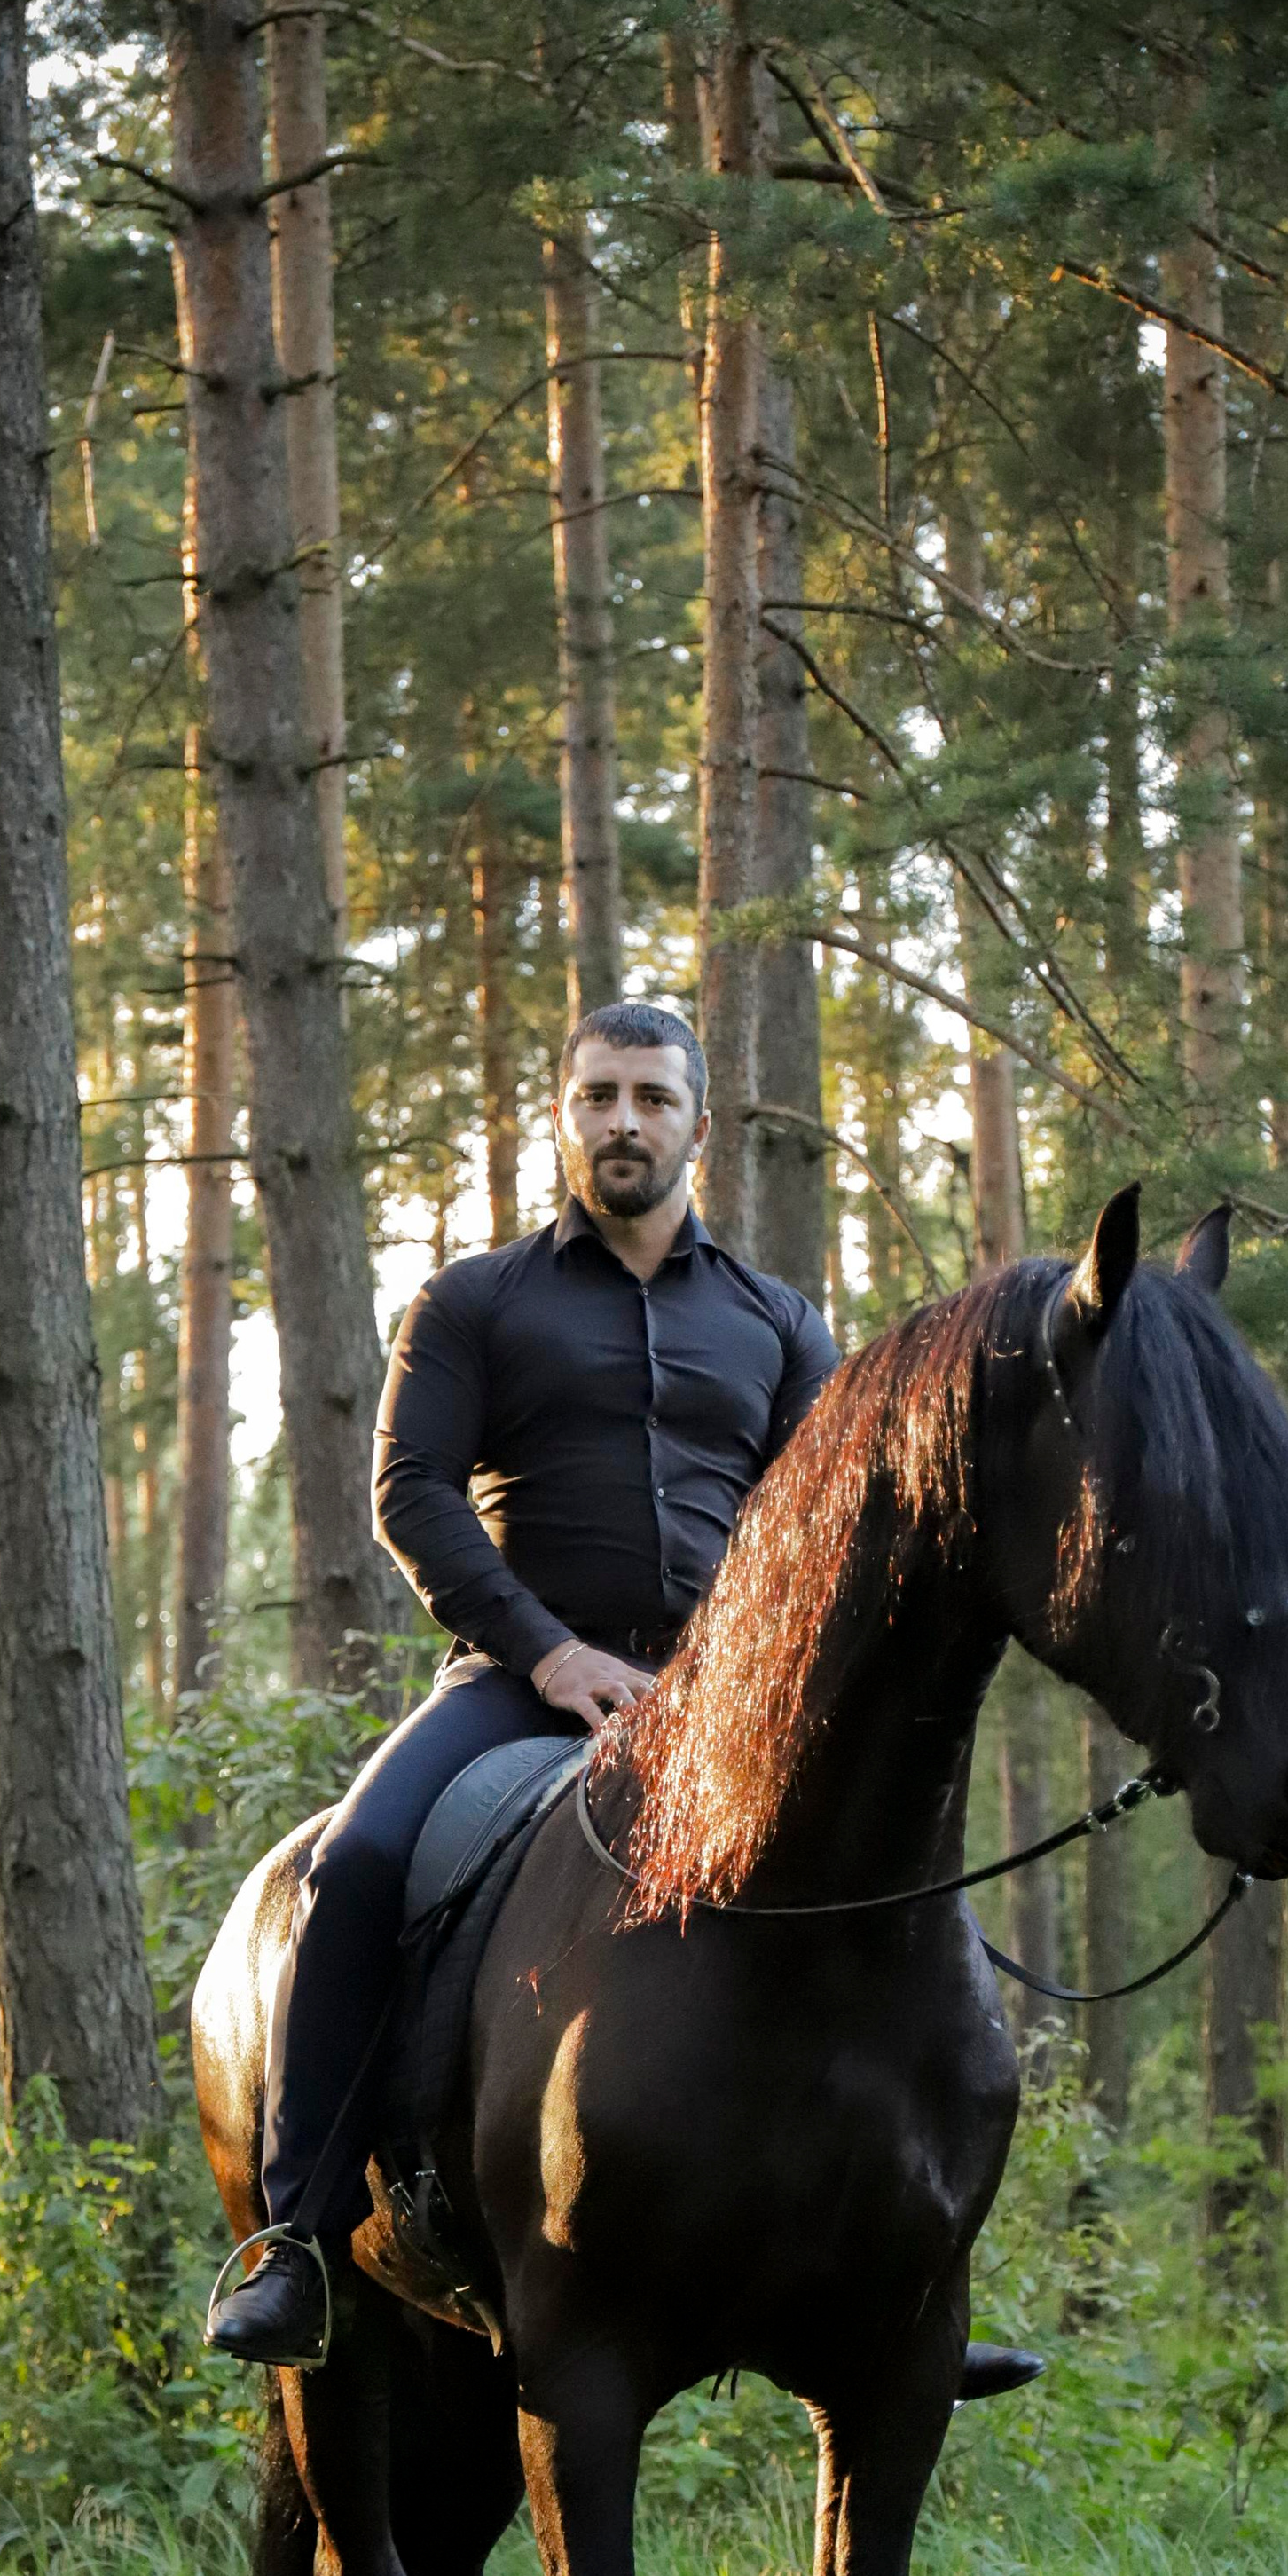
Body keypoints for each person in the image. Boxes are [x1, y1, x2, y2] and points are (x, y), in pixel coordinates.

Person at [207, 1001, 1037, 2404]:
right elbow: (411, 1496)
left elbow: (827, 1533)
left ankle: (911, 2267)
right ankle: (293, 2240)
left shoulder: (777, 1323)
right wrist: (552, 1657)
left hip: (726, 1713)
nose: (623, 1121)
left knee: (895, 1890)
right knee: (354, 1867)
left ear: (699, 1127)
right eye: (597, 1095)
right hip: (517, 1691)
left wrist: (763, 1694)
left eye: (651, 1098)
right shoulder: (476, 1302)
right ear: (565, 1118)